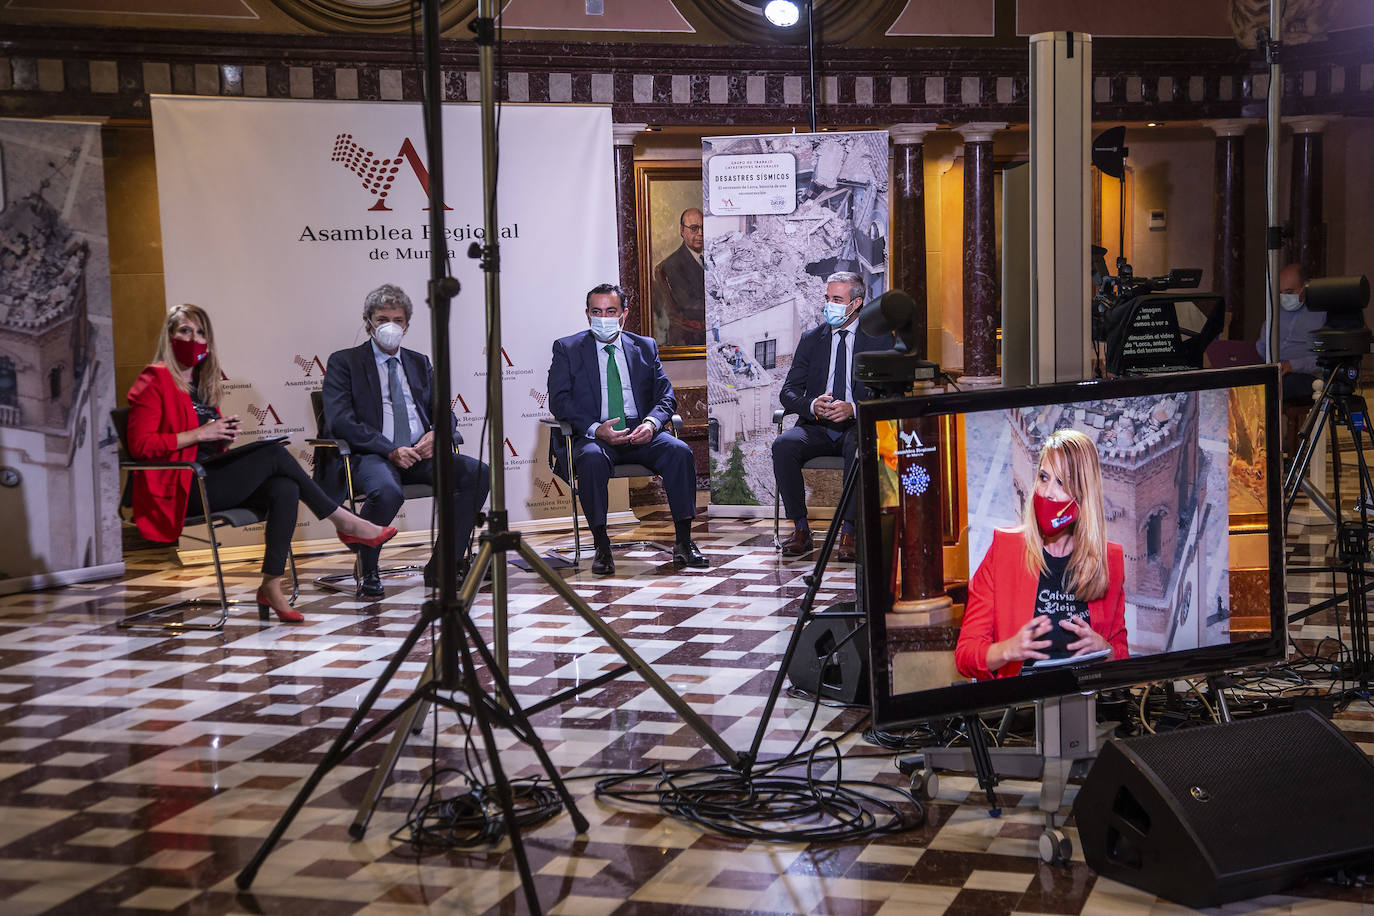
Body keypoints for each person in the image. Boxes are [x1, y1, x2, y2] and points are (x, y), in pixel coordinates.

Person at [126, 304, 397, 624]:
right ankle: (344, 521)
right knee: (274, 456)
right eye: (185, 331)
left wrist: (218, 436)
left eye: (200, 333)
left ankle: (270, 585)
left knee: (284, 487)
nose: (194, 339)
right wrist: (200, 432)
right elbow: (140, 447)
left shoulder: (202, 384)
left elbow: (203, 449)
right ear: (169, 337)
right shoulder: (153, 379)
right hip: (179, 489)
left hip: (203, 476)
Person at [320, 284, 491, 599]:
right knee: (387, 491)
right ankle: (367, 565)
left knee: (478, 473)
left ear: (407, 324)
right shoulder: (344, 362)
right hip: (372, 455)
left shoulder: (418, 361)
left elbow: (443, 411)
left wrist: (437, 433)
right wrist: (389, 449)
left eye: (397, 320)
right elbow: (340, 420)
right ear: (367, 321)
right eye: (381, 318)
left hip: (419, 454)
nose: (390, 326)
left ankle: (444, 564)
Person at [548, 283, 706, 576]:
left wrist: (651, 423)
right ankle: (602, 546)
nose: (603, 317)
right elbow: (559, 401)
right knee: (592, 460)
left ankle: (684, 542)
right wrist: (596, 429)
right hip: (597, 434)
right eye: (596, 312)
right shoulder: (567, 348)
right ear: (587, 314)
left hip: (640, 431)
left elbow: (666, 396)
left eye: (610, 311)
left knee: (679, 452)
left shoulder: (644, 346)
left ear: (624, 315)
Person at [955, 429, 1128, 681]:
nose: (1048, 492)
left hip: (1089, 706)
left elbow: (1122, 654)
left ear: (1084, 496)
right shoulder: (1004, 550)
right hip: (1022, 709)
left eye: (1062, 483)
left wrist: (1105, 650)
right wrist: (1009, 649)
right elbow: (966, 655)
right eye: (1044, 477)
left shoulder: (1109, 559)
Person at [772, 271, 889, 561]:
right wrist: (812, 405)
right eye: (827, 299)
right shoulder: (812, 339)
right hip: (816, 427)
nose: (829, 305)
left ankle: (849, 532)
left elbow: (891, 395)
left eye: (837, 299)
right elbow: (788, 392)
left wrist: (854, 407)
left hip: (857, 425)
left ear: (856, 303)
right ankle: (800, 529)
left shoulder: (879, 339)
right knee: (783, 445)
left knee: (859, 445)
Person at [1256, 262, 1324, 453]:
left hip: (1306, 375)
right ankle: (1260, 446)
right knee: (1249, 383)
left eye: (1289, 291)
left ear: (1305, 287)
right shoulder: (1276, 312)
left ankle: (1274, 448)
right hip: (1275, 369)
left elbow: (1325, 359)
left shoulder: (1321, 314)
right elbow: (1262, 348)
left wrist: (1293, 365)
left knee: (1274, 388)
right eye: (1281, 292)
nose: (1285, 297)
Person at [651, 208, 706, 347]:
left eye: (703, 227)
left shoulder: (714, 256)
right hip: (690, 340)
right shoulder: (671, 266)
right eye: (694, 228)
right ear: (682, 230)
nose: (701, 233)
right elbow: (689, 306)